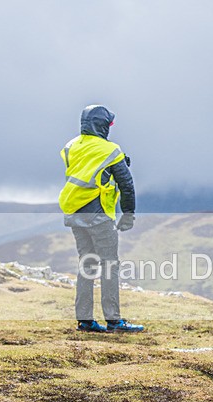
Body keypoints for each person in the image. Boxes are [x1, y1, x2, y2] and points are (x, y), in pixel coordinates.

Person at [58, 104, 144, 333]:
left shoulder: (70, 146)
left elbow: (86, 172)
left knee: (86, 264)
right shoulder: (111, 151)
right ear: (103, 125)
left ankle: (84, 321)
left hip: (75, 213)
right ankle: (114, 322)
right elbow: (127, 185)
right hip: (99, 216)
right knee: (109, 265)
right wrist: (128, 215)